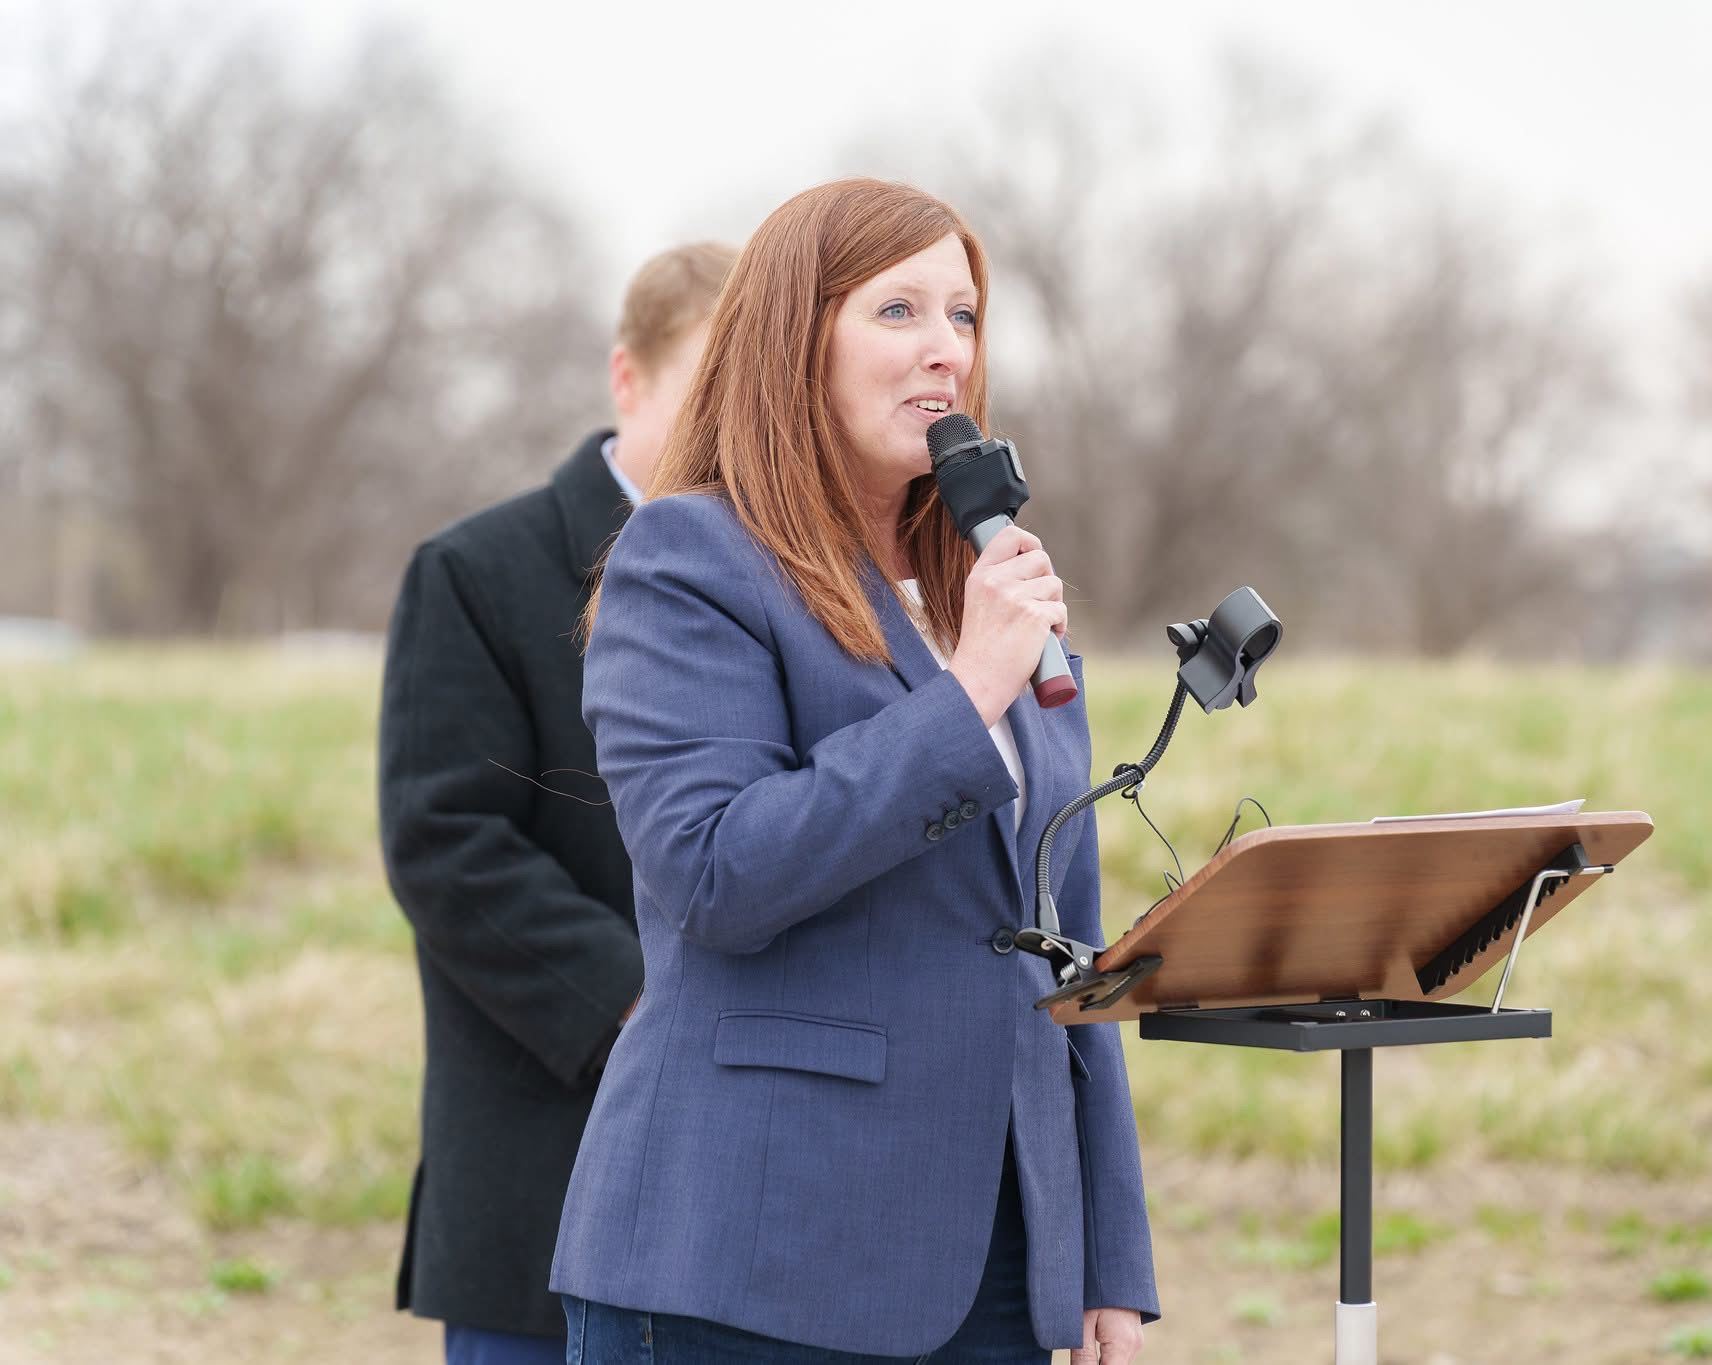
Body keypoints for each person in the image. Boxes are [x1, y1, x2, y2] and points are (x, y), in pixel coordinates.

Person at [550, 179, 1158, 1364]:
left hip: (994, 1260)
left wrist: (1106, 1256)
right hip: (748, 1257)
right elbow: (718, 872)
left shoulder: (989, 584)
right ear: (793, 339)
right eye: (898, 313)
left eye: (965, 318)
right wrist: (965, 691)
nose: (944, 352)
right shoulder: (689, 559)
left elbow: (1061, 937)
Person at [379, 242, 738, 1365]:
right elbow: (447, 846)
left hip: (748, 1186)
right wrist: (649, 1008)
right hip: (541, 1161)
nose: (730, 435)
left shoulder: (788, 578)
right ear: (625, 381)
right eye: (703, 397)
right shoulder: (478, 569)